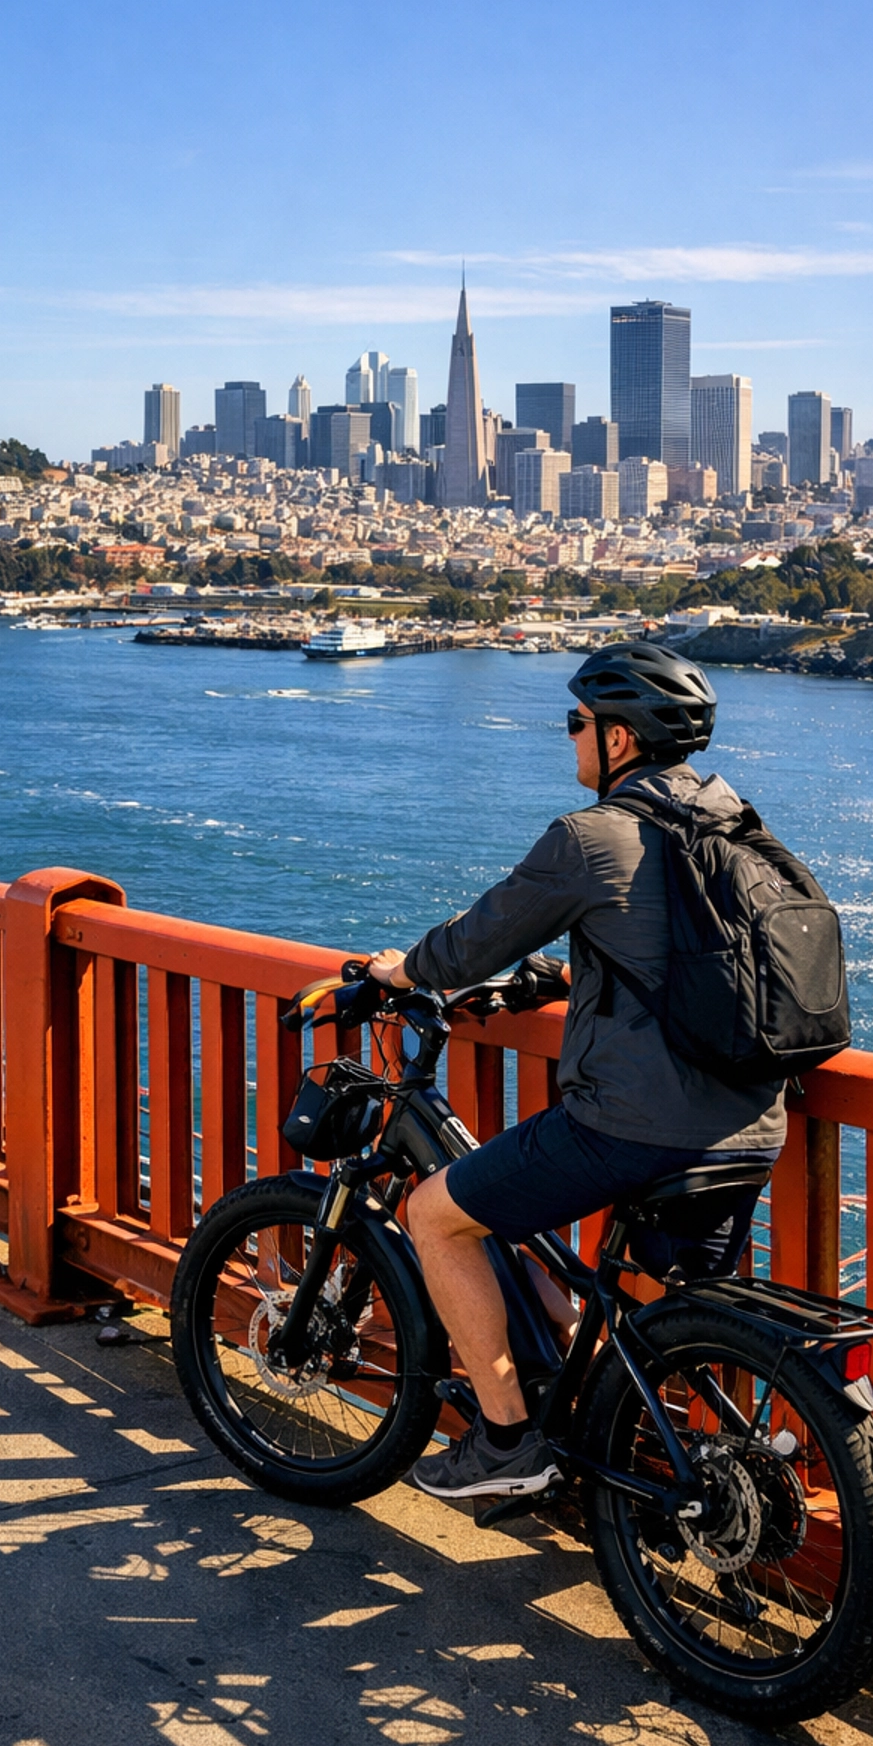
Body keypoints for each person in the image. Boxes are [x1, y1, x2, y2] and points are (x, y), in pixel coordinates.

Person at [366, 642, 786, 1502]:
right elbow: (691, 958)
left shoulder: (591, 835)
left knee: (435, 1215)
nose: (570, 739)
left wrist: (399, 973)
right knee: (625, 1310)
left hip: (634, 1127)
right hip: (752, 1127)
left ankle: (508, 1442)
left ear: (620, 741)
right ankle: (619, 1460)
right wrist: (566, 978)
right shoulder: (736, 827)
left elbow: (469, 944)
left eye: (577, 724)